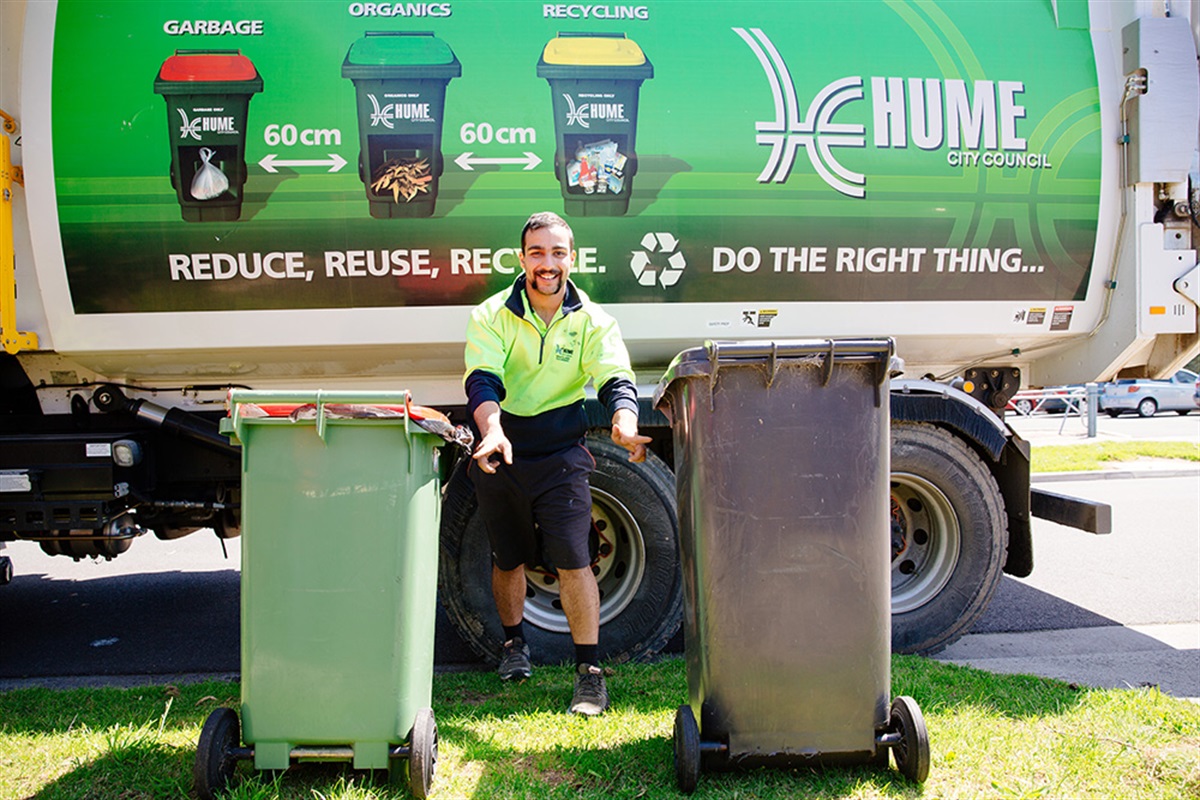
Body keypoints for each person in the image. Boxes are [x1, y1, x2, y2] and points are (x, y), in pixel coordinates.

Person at [463, 211, 650, 716]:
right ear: (522, 258)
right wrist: (493, 430)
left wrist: (624, 422)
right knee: (508, 557)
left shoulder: (593, 319)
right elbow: (482, 380)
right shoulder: (491, 314)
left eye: (558, 252)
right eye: (538, 253)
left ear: (572, 257)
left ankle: (589, 674)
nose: (548, 263)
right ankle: (514, 645)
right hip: (501, 447)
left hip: (562, 454)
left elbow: (615, 378)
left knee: (573, 556)